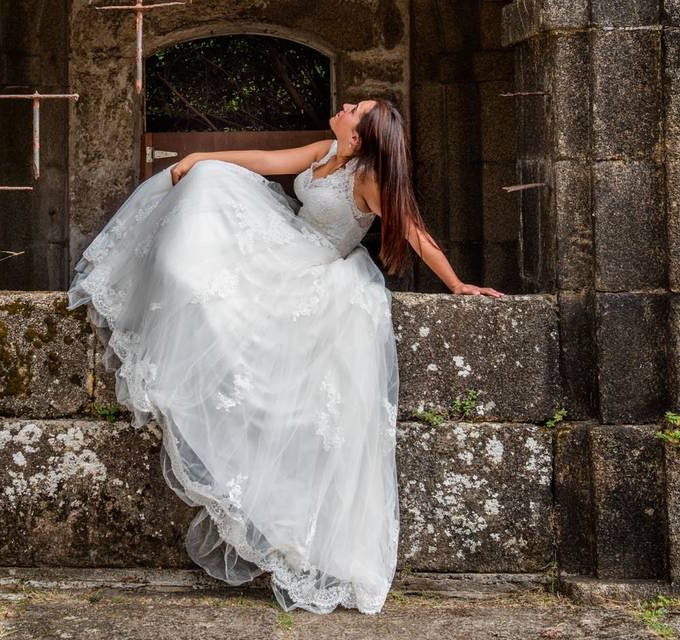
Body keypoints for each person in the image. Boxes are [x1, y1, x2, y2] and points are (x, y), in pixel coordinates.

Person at [66, 98, 505, 615]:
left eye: (353, 108)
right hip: (284, 243)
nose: (343, 106)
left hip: (314, 267)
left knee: (236, 308)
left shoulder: (370, 181)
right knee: (211, 186)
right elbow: (265, 161)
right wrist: (201, 160)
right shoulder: (326, 150)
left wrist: (456, 283)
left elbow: (416, 233)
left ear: (360, 137)